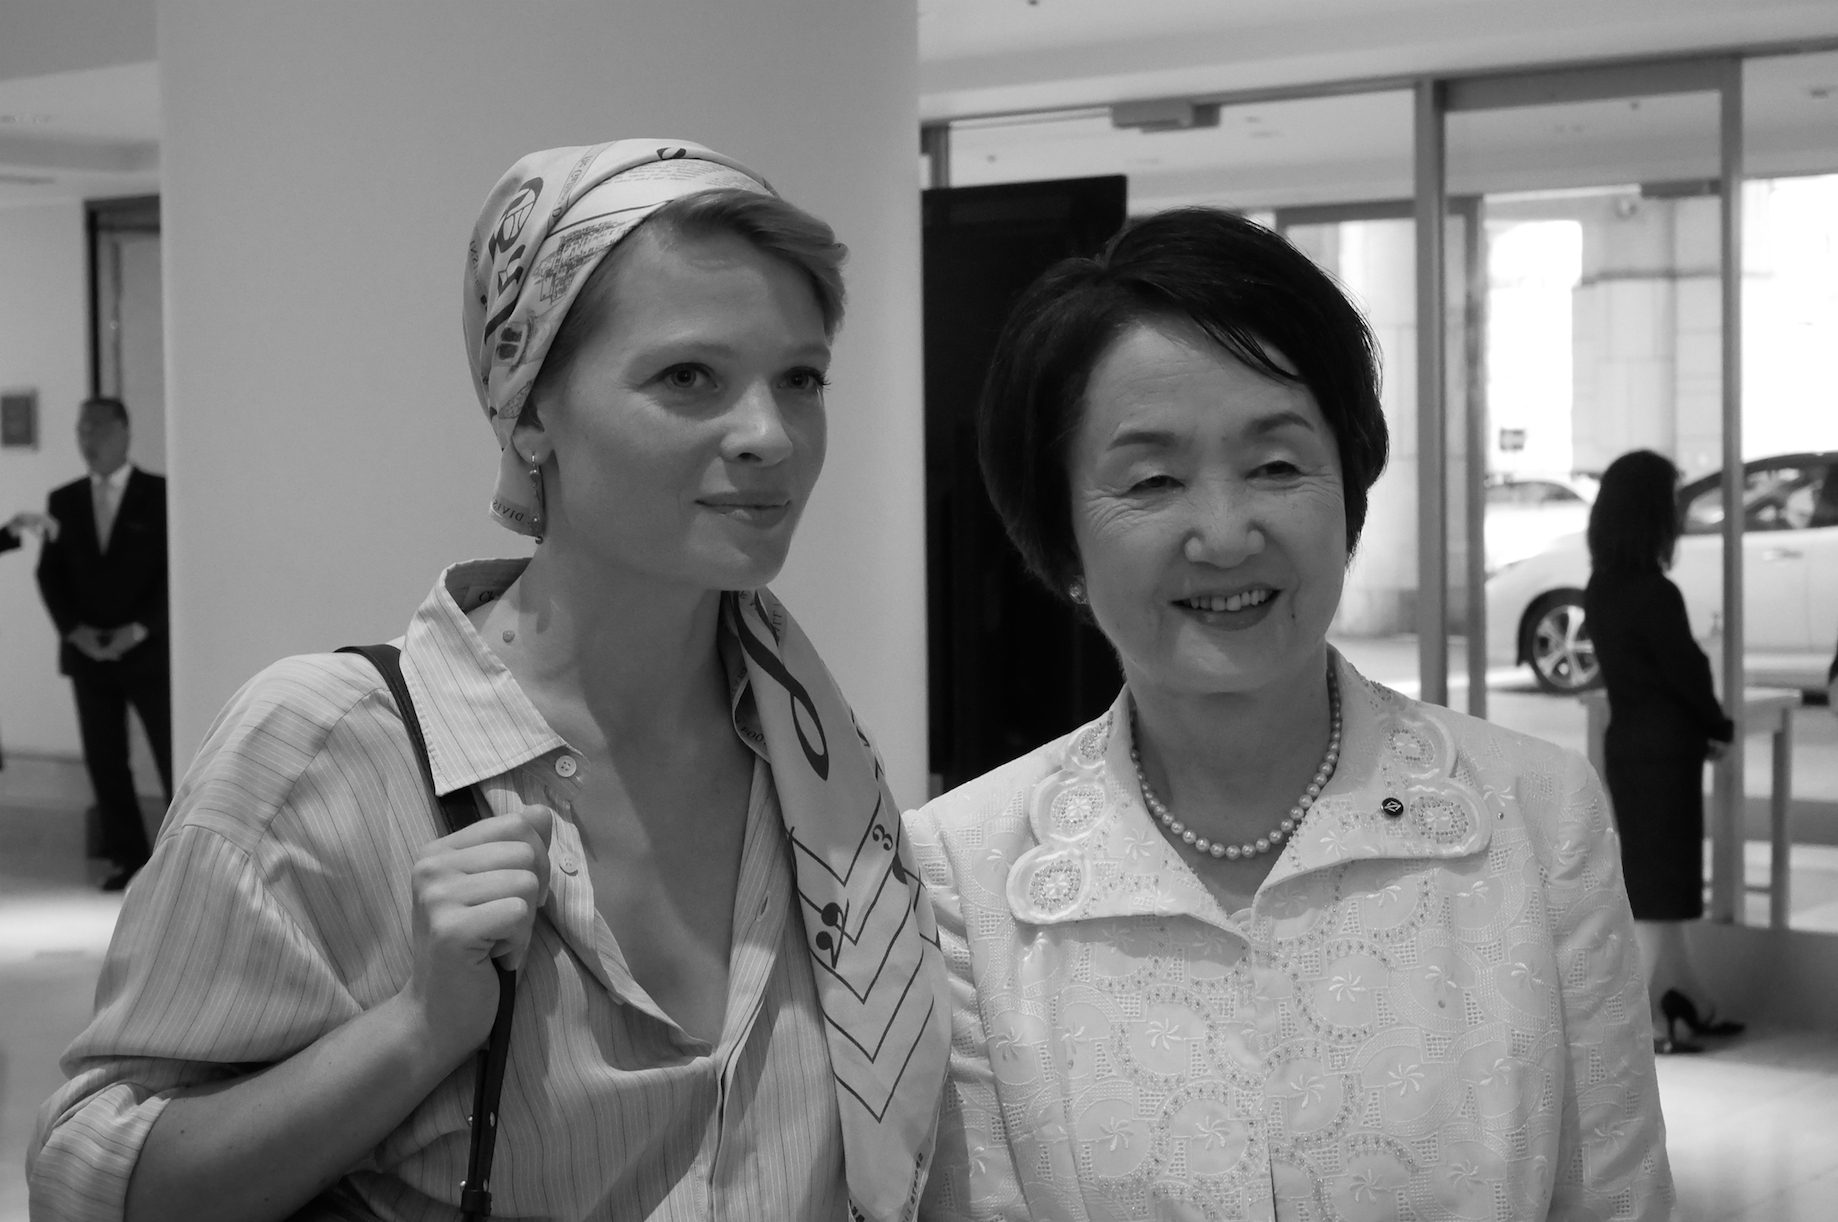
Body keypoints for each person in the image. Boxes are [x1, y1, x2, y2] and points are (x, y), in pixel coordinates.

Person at [31, 140, 947, 1222]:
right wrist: (416, 1029)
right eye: (688, 377)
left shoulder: (817, 770)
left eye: (800, 378)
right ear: (530, 412)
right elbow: (89, 1184)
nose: (769, 434)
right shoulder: (324, 749)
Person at [906, 208, 1669, 1221]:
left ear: (1346, 489)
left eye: (1275, 465)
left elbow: (1615, 1200)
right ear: (1061, 541)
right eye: (1152, 480)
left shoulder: (1534, 816)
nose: (1225, 534)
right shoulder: (963, 870)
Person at [1584, 450, 1739, 1055]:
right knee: (1658, 891)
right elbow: (1686, 673)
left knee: (1659, 887)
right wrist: (1718, 724)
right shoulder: (1655, 593)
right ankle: (1640, 1019)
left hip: (1631, 748)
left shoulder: (1602, 588)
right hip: (1667, 756)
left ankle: (1685, 998)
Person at [34, 398, 170, 890]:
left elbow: (175, 571)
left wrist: (141, 628)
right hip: (88, 654)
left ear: (124, 432)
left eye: (97, 428)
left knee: (173, 755)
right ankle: (127, 857)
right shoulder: (63, 500)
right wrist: (76, 632)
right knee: (105, 760)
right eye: (81, 430)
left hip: (149, 652)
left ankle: (183, 857)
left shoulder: (161, 494)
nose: (87, 440)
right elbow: (49, 574)